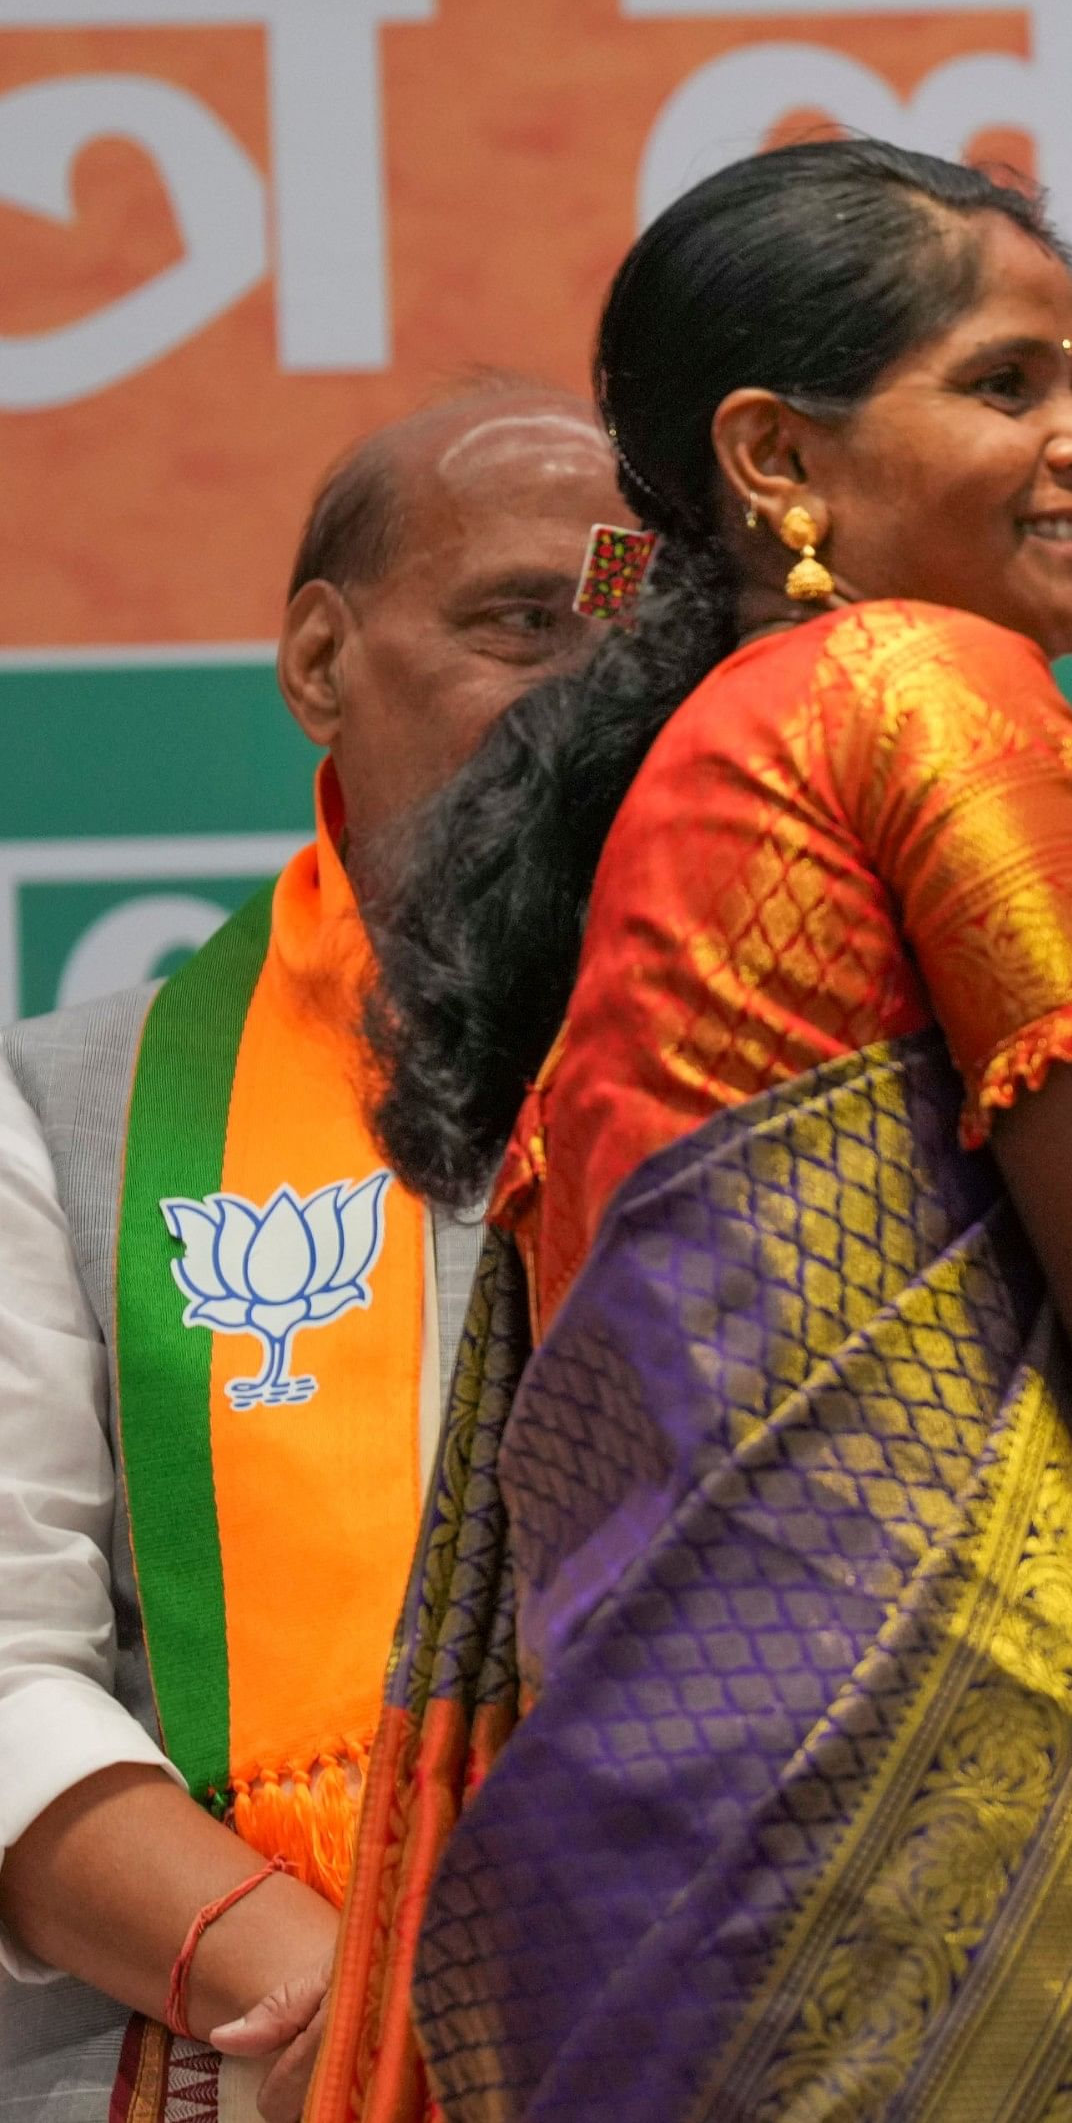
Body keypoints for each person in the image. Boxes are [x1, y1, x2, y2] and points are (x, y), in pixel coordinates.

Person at [303, 140, 1072, 2123]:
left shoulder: (691, 772)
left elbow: (942, 1380)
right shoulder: (919, 686)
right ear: (776, 460)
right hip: (958, 1845)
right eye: (1008, 383)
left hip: (702, 1863)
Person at [0, 387, 623, 2121]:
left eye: (638, 640)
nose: (590, 693)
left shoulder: (802, 1103)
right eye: (522, 621)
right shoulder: (63, 1113)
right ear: (320, 658)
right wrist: (352, 2011)